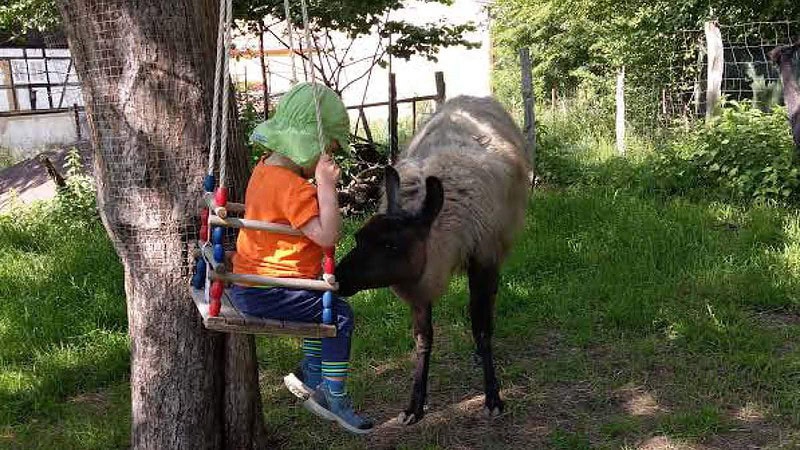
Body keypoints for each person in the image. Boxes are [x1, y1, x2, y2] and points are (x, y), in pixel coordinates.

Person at [230, 82, 373, 435]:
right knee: (338, 316)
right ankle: (333, 396)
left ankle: (311, 371)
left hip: (250, 282)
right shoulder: (294, 187)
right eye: (330, 152)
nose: (329, 161)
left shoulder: (264, 169)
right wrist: (325, 187)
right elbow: (328, 235)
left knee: (321, 303)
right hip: (268, 290)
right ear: (311, 144)